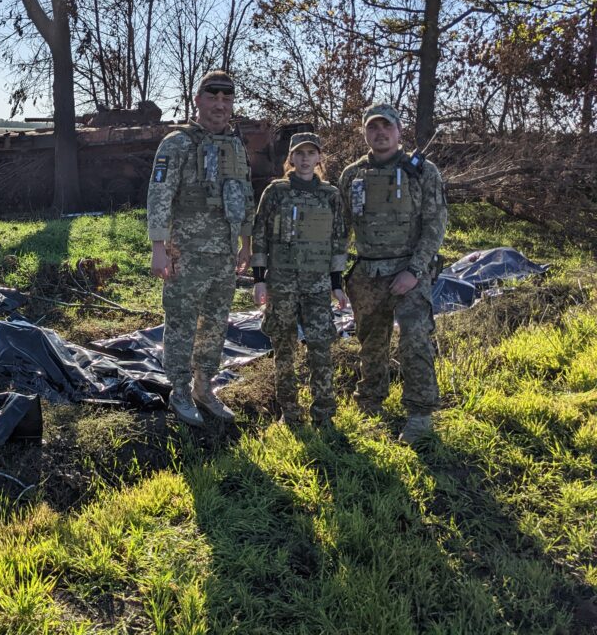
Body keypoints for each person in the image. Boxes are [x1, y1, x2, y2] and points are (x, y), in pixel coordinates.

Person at [147, 70, 255, 426]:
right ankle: (179, 390)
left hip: (224, 254)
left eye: (227, 98)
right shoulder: (177, 143)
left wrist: (246, 243)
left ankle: (204, 387)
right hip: (186, 253)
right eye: (213, 96)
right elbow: (160, 194)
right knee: (181, 322)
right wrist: (159, 246)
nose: (220, 104)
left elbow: (245, 194)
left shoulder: (235, 145)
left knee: (215, 323)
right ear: (198, 100)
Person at [338, 103, 448, 444]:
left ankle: (420, 413)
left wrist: (414, 270)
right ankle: (371, 403)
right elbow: (341, 229)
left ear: (399, 131)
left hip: (408, 271)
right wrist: (334, 275)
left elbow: (435, 225)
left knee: (415, 338)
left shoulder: (422, 171)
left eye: (387, 126)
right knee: (371, 343)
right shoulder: (352, 175)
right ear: (364, 133)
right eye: (373, 127)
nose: (380, 133)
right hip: (367, 272)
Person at [251, 133, 348, 427]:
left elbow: (338, 240)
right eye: (300, 153)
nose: (305, 159)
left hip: (317, 286)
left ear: (319, 158)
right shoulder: (276, 192)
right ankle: (290, 412)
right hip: (281, 284)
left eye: (311, 153)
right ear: (291, 158)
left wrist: (337, 284)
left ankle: (324, 414)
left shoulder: (330, 195)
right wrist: (259, 279)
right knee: (284, 350)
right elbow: (260, 234)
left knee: (321, 348)